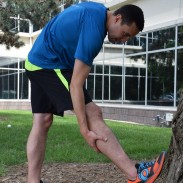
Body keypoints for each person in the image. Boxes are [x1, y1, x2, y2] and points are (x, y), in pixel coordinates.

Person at [25, 2, 165, 183]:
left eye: (127, 39)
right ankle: (136, 175)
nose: (123, 41)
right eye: (125, 34)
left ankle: (32, 180)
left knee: (42, 120)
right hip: (49, 64)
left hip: (36, 60)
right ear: (117, 18)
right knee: (92, 113)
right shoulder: (94, 33)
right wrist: (85, 130)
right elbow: (75, 85)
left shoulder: (97, 9)